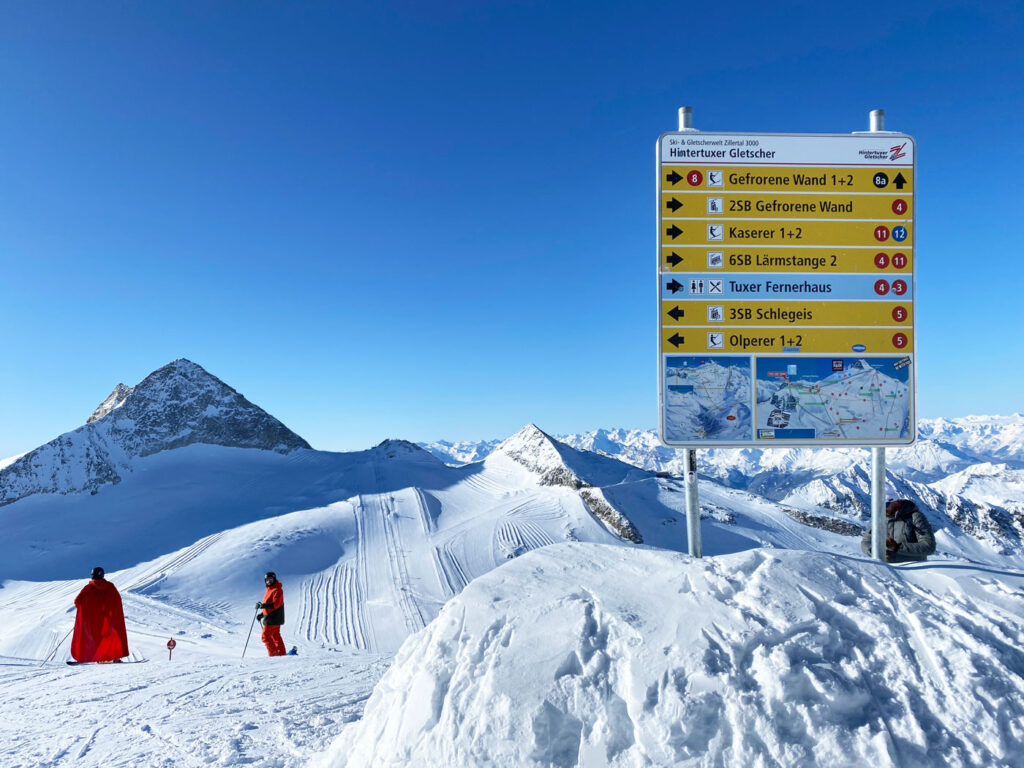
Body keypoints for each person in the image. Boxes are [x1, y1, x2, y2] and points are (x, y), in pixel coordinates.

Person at [71, 567, 129, 663]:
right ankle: (116, 657)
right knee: (113, 635)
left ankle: (98, 658)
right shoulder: (110, 586)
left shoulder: (88, 588)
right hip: (109, 618)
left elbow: (78, 601)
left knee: (95, 637)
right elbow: (117, 600)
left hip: (93, 620)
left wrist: (84, 611)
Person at [861, 499, 936, 563]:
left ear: (896, 502)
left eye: (885, 504)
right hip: (886, 570)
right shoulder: (877, 519)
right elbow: (866, 541)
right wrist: (873, 551)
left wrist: (897, 547)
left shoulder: (915, 517)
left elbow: (929, 546)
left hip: (915, 570)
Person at [257, 571, 286, 657]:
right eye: (267, 580)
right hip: (273, 617)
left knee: (265, 636)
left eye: (270, 579)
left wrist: (262, 606)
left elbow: (275, 604)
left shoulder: (277, 590)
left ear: (274, 579)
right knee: (275, 636)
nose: (269, 581)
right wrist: (262, 615)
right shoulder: (270, 590)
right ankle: (281, 654)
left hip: (273, 618)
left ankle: (274, 656)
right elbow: (269, 605)